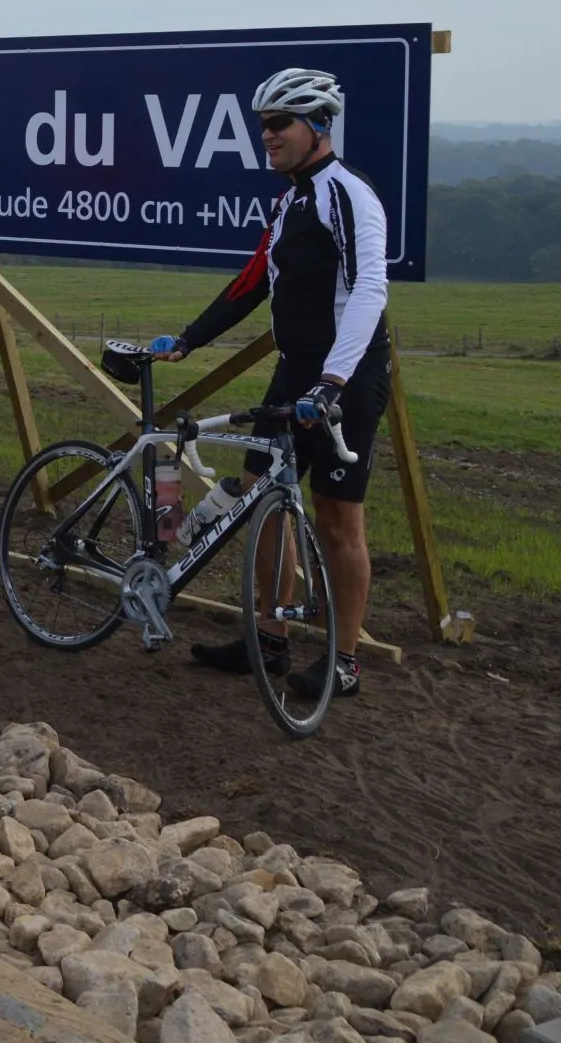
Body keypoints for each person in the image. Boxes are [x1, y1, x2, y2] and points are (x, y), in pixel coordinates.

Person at [152, 67, 387, 701]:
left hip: (348, 375)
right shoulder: (288, 202)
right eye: (262, 126)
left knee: (338, 518)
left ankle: (344, 660)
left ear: (318, 126)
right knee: (260, 497)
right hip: (296, 370)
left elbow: (370, 287)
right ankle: (271, 637)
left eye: (280, 124)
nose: (268, 136)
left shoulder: (348, 193)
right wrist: (189, 340)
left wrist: (334, 379)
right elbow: (253, 281)